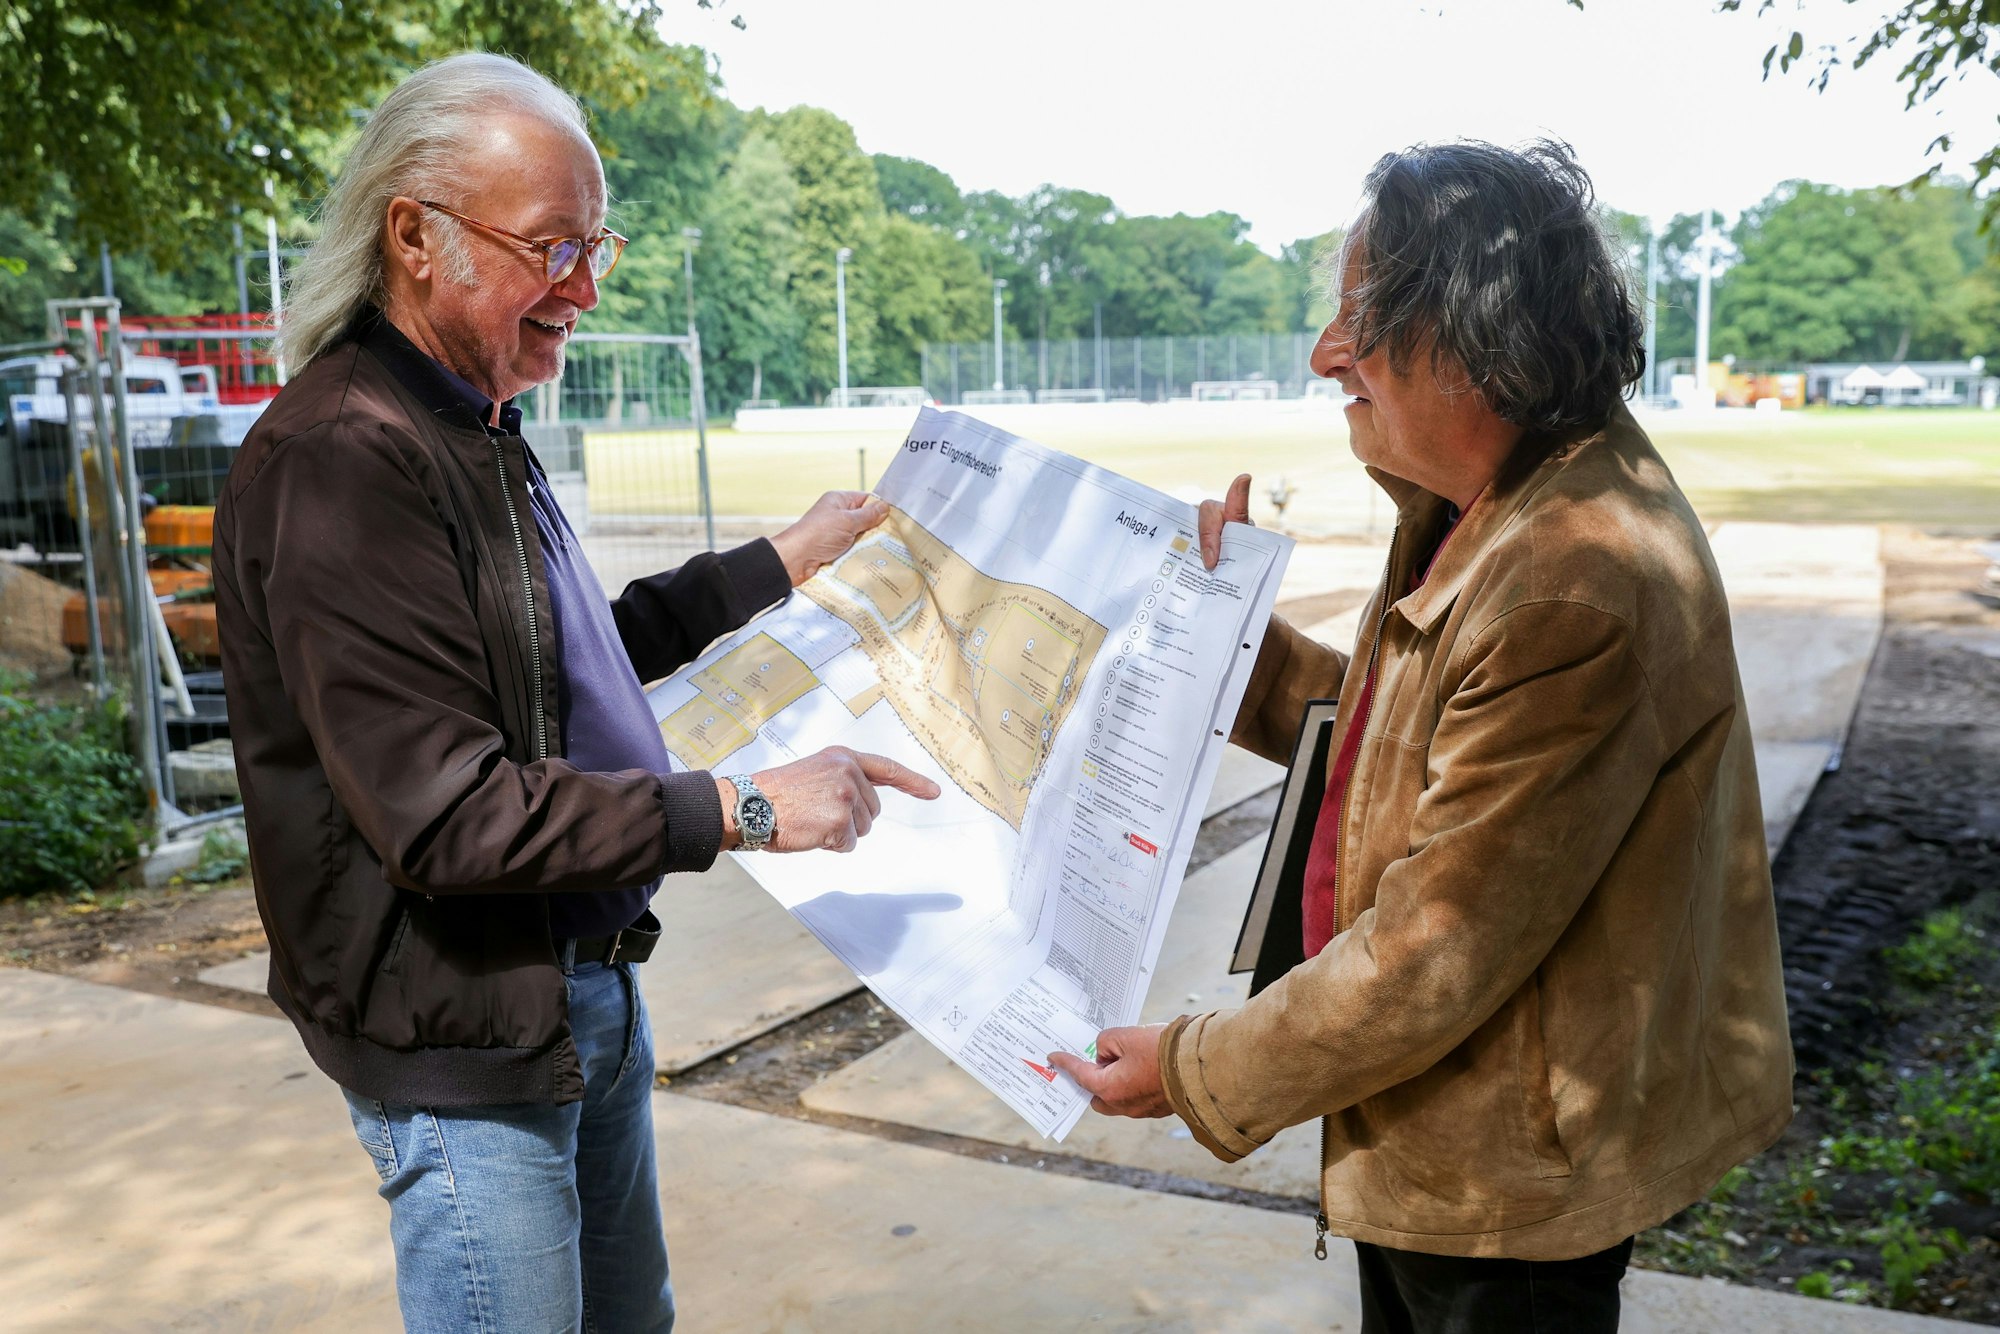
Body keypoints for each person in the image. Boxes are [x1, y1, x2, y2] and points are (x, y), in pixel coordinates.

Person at [213, 53, 938, 1331]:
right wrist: (743, 807)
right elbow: (447, 813)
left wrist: (777, 559)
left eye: (593, 245)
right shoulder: (347, 456)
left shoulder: (467, 420)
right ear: (416, 237)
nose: (584, 288)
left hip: (572, 993)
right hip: (467, 1041)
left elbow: (558, 666)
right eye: (552, 247)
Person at [1051, 140, 1793, 1333]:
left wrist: (1194, 1069)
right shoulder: (1496, 504)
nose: (1323, 354)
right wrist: (1230, 642)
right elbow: (1411, 741)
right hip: (1450, 1134)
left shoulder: (1568, 574)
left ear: (1469, 336)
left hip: (1504, 1169)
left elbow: (1429, 950)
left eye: (1357, 318)